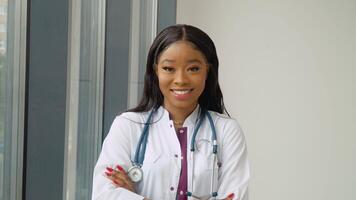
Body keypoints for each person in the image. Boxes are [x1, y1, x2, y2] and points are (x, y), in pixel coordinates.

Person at [91, 24, 250, 200]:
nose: (181, 80)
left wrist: (136, 196)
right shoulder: (128, 126)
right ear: (156, 70)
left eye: (193, 69)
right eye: (169, 68)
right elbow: (103, 194)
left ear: (208, 70)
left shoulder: (226, 131)